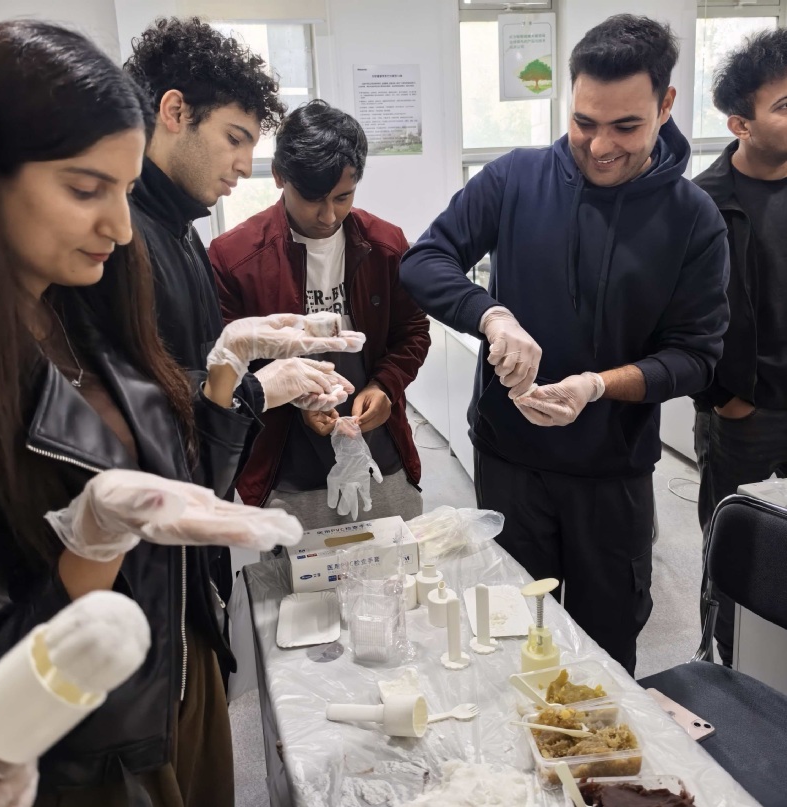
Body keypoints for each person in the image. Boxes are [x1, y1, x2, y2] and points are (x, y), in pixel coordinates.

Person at [0, 20, 355, 806]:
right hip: (85, 727)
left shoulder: (96, 287)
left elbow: (179, 462)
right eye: (85, 189)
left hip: (167, 650)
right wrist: (95, 538)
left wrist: (229, 373)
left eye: (122, 192)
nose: (118, 228)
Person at [399, 14, 730, 674]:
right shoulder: (514, 179)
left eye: (625, 126)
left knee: (604, 648)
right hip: (510, 462)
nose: (600, 145)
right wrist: (492, 316)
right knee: (513, 634)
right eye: (583, 121)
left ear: (665, 105)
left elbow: (696, 356)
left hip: (612, 472)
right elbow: (424, 260)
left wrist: (598, 385)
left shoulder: (692, 218)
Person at [121, 18, 361, 600]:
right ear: (174, 111)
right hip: (149, 552)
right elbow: (144, 410)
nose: (243, 164)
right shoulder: (123, 238)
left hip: (192, 527)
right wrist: (256, 388)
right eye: (234, 138)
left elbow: (195, 367)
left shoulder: (180, 229)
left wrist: (254, 350)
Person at [210, 100, 430, 527]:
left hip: (379, 450)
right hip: (284, 463)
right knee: (295, 568)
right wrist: (293, 397)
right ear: (279, 176)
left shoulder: (385, 245)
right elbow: (225, 365)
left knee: (397, 556)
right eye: (312, 199)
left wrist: (385, 386)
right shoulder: (234, 258)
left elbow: (413, 332)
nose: (329, 216)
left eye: (343, 197)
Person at [692, 29, 787, 667]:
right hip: (744, 410)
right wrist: (720, 395)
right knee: (735, 544)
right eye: (784, 105)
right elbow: (680, 317)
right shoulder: (703, 201)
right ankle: (724, 666)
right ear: (740, 124)